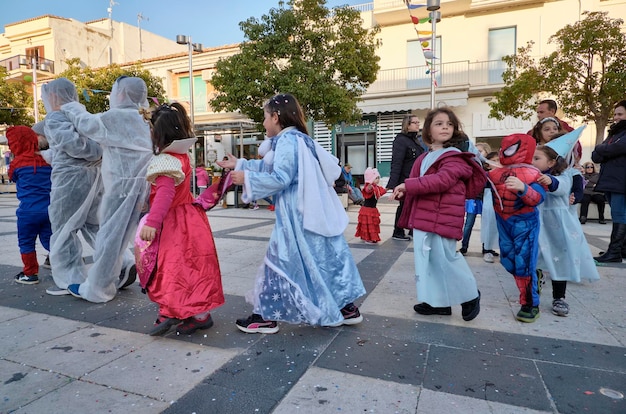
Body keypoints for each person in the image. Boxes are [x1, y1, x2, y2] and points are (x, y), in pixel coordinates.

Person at [217, 93, 365, 333]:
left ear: (276, 117)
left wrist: (247, 177)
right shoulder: (300, 139)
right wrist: (241, 164)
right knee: (323, 258)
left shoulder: (286, 141)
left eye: (265, 118)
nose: (263, 123)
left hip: (295, 215)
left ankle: (265, 316)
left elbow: (280, 176)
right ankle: (347, 307)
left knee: (278, 261)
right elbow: (276, 166)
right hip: (311, 211)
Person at [60, 76, 154, 302]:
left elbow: (88, 125)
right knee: (121, 237)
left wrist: (72, 106)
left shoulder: (117, 117)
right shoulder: (145, 118)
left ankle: (97, 288)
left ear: (120, 93)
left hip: (121, 187)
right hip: (143, 186)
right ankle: (115, 275)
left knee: (109, 238)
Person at [137, 102, 224, 336]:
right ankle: (199, 315)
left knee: (170, 268)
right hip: (190, 219)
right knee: (192, 268)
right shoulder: (181, 156)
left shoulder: (165, 161)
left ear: (158, 134)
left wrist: (152, 222)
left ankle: (169, 311)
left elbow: (164, 195)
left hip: (173, 224)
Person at [392, 107, 485, 321]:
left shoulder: (454, 157)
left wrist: (408, 185)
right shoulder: (426, 156)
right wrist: (404, 191)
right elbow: (421, 184)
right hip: (426, 216)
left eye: (449, 124)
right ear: (427, 130)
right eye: (439, 123)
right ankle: (438, 302)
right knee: (429, 262)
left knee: (446, 259)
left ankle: (470, 295)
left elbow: (441, 181)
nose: (445, 127)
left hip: (442, 217)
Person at [41, 78, 103, 295]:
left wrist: (95, 153)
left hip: (69, 180)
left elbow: (73, 145)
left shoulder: (56, 117)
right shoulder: (82, 115)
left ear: (54, 96)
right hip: (93, 176)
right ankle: (121, 263)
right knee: (94, 225)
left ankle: (70, 278)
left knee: (63, 228)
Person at [534, 139, 600, 317]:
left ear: (551, 162)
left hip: (557, 225)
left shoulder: (565, 175)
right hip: (537, 222)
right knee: (534, 256)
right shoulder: (531, 174)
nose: (532, 161)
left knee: (559, 258)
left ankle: (559, 297)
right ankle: (533, 290)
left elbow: (562, 187)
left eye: (536, 158)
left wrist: (550, 181)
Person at [488, 133, 546, 323]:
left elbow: (538, 198)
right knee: (509, 261)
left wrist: (524, 188)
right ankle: (534, 277)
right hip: (503, 222)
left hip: (525, 222)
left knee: (523, 264)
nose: (505, 151)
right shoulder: (495, 172)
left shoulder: (534, 174)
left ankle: (530, 304)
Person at [6, 126, 53, 285]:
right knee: (50, 239)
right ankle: (60, 263)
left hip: (27, 212)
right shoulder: (47, 159)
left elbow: (12, 177)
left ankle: (30, 273)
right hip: (49, 209)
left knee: (26, 242)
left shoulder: (17, 163)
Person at [592, 100, 626, 263]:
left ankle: (614, 252)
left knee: (620, 214)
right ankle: (621, 249)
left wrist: (601, 148)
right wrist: (603, 150)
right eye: (615, 114)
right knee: (618, 214)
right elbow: (596, 156)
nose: (616, 117)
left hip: (621, 181)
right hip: (610, 181)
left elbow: (617, 148)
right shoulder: (613, 134)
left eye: (620, 114)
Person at [387, 114, 425, 241]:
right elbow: (396, 162)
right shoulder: (401, 140)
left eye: (418, 122)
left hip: (415, 179)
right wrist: (393, 184)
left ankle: (411, 229)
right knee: (404, 206)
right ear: (407, 125)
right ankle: (398, 231)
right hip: (405, 180)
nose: (418, 124)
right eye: (415, 122)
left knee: (414, 205)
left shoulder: (416, 140)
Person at [459, 142, 490, 256]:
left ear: (486, 152)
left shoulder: (488, 166)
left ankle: (487, 247)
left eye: (480, 151)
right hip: (474, 198)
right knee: (469, 223)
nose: (476, 154)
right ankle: (464, 246)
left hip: (485, 198)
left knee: (486, 224)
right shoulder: (472, 164)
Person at [355, 167, 386, 244]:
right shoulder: (368, 187)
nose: (378, 180)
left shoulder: (377, 188)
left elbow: (382, 191)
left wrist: (391, 188)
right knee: (368, 225)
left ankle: (370, 237)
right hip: (367, 209)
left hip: (372, 209)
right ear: (370, 179)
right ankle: (368, 238)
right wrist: (369, 185)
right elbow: (367, 190)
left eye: (378, 178)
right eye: (376, 178)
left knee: (372, 224)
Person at [481, 151, 500, 263]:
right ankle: (487, 249)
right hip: (490, 200)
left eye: (498, 160)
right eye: (494, 161)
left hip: (503, 201)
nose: (497, 163)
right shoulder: (486, 175)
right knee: (489, 224)